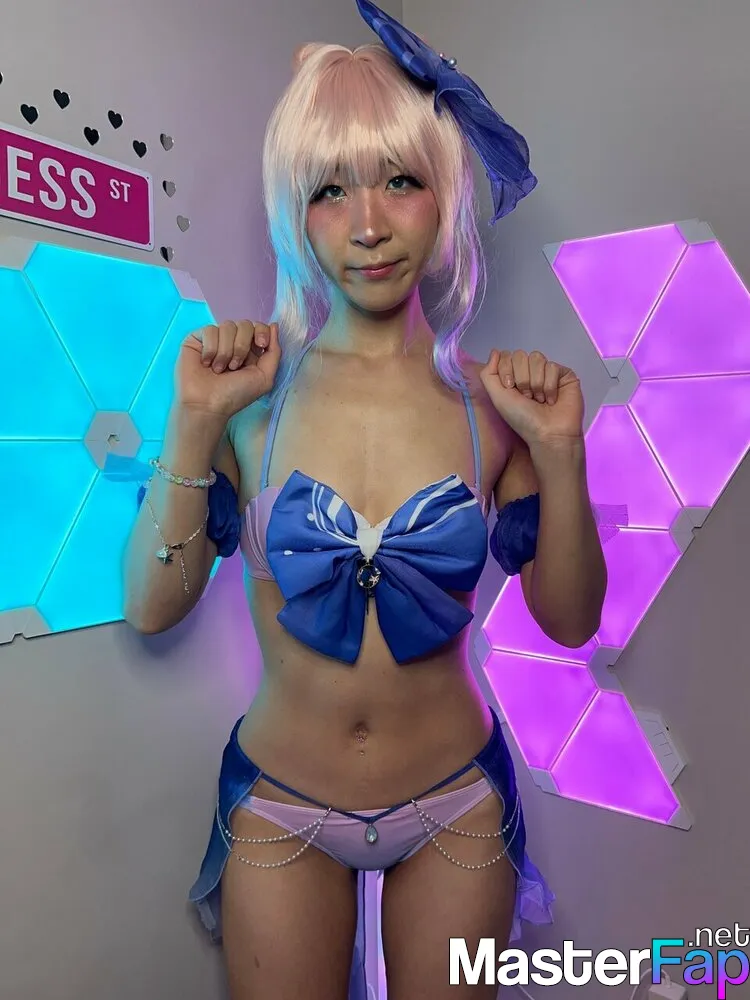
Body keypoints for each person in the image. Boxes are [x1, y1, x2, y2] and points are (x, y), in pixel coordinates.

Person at [124, 3, 607, 997]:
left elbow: (571, 622)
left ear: (446, 195)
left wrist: (561, 452)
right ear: (293, 213)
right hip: (282, 802)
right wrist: (193, 420)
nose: (371, 225)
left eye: (401, 182)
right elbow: (152, 607)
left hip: (457, 801)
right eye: (330, 191)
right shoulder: (251, 398)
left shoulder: (494, 406)